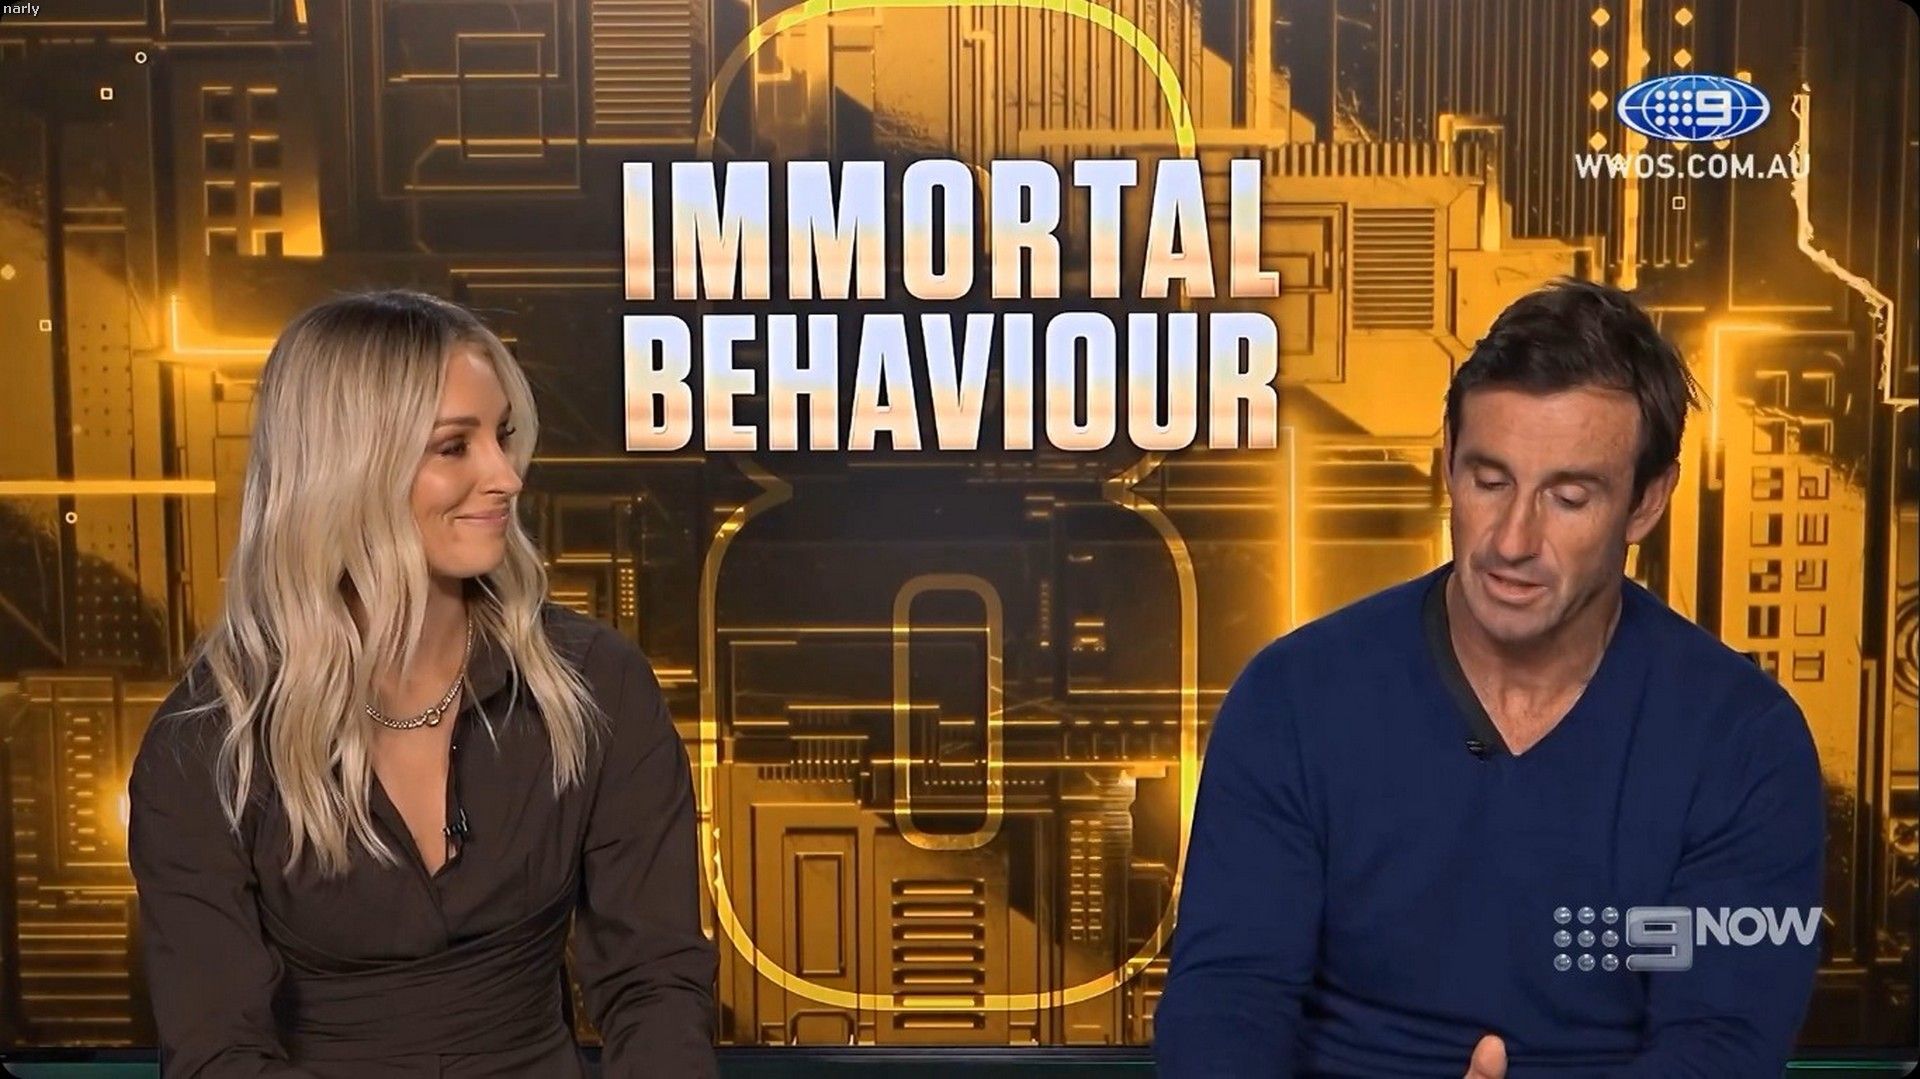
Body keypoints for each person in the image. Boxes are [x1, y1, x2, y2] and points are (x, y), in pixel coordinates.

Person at [1153, 279, 1826, 1077]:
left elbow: (1722, 1043)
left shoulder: (1743, 742)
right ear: (1447, 460)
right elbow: (1225, 1005)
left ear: (1647, 503)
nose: (1512, 540)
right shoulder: (1291, 700)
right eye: (1489, 479)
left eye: (1568, 497)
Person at [127, 291, 718, 1077]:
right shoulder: (206, 744)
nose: (505, 476)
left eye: (503, 436)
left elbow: (656, 984)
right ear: (347, 471)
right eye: (454, 446)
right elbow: (217, 1054)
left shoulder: (598, 683)